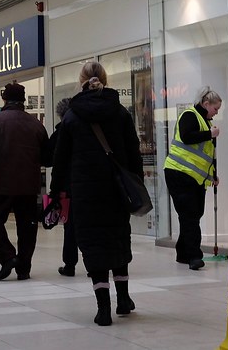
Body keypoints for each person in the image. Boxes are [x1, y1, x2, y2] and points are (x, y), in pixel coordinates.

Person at [50, 62, 143, 326]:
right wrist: (135, 181)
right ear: (105, 78)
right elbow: (134, 151)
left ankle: (103, 309)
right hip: (116, 189)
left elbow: (60, 160)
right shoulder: (120, 113)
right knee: (118, 240)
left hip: (85, 191)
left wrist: (56, 191)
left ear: (81, 81)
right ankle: (123, 299)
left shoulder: (70, 117)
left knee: (93, 245)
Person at [0, 82, 49, 281]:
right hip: (29, 184)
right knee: (27, 225)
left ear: (4, 99)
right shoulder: (36, 123)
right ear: (24, 100)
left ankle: (8, 256)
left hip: (2, 182)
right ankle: (24, 268)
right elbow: (47, 157)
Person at [163, 85, 221, 271]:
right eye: (215, 108)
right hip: (179, 173)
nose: (216, 112)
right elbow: (188, 137)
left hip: (195, 177)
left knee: (193, 215)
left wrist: (213, 174)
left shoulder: (205, 122)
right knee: (190, 216)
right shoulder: (190, 116)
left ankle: (182, 252)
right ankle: (194, 256)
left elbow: (207, 154)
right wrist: (209, 134)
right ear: (205, 104)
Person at [47, 97, 79, 277]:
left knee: (70, 226)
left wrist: (54, 190)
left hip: (68, 185)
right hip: (89, 184)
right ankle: (94, 264)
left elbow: (53, 161)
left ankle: (70, 264)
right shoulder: (86, 129)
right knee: (89, 225)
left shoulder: (60, 133)